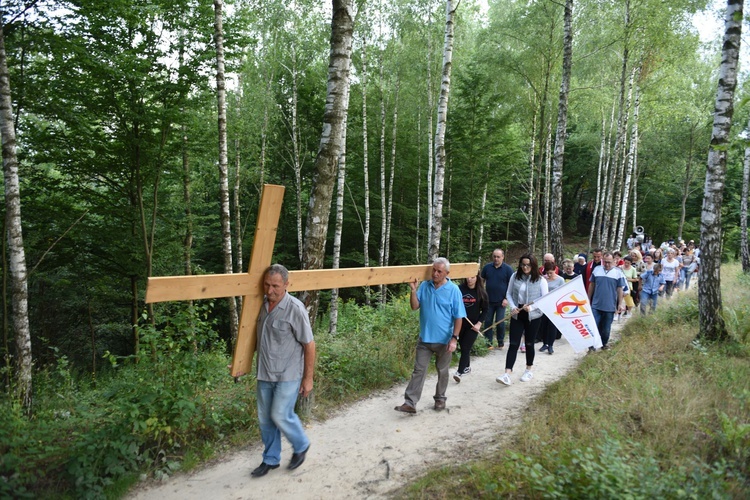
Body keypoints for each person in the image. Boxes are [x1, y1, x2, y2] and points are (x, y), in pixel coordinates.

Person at [251, 264, 316, 478]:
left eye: (276, 286)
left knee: (280, 414)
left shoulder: (295, 309)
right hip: (264, 372)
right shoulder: (258, 305)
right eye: (267, 285)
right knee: (265, 419)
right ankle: (270, 459)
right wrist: (241, 364)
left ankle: (301, 444)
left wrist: (308, 379)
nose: (270, 291)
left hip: (288, 374)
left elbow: (309, 345)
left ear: (286, 285)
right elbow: (252, 338)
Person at [395, 258, 466, 413]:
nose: (435, 273)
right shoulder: (425, 286)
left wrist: (454, 338)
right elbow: (414, 306)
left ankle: (440, 399)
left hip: (445, 340)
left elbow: (458, 317)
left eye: (439, 271)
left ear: (447, 273)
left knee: (442, 371)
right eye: (434, 270)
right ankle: (410, 402)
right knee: (418, 371)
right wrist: (413, 290)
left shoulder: (454, 290)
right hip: (425, 339)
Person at [496, 253, 549, 385]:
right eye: (523, 265)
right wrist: (513, 306)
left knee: (529, 343)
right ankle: (507, 373)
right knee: (513, 343)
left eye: (528, 265)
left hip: (533, 315)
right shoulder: (515, 276)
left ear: (533, 265)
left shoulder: (541, 280)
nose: (525, 267)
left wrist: (531, 308)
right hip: (517, 313)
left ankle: (528, 369)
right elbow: (508, 293)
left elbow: (545, 299)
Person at [587, 251, 626, 351]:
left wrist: (619, 304)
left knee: (606, 328)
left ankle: (604, 343)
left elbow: (620, 289)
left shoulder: (618, 272)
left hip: (609, 305)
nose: (607, 264)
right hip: (596, 304)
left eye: (609, 262)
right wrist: (588, 298)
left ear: (614, 260)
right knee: (594, 326)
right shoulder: (597, 270)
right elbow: (592, 285)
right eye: (605, 262)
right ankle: (592, 345)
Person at [453, 273, 488, 382]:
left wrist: (479, 323)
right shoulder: (459, 289)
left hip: (473, 326)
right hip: (459, 323)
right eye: (467, 276)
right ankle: (467, 367)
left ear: (477, 278)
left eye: (472, 277)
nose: (469, 279)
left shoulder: (481, 292)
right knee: (462, 345)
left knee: (465, 347)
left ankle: (459, 372)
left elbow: (485, 310)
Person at [481, 249, 514, 349]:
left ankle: (500, 342)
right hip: (488, 300)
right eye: (494, 256)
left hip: (501, 301)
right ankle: (489, 343)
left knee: (500, 322)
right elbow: (481, 281)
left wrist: (506, 299)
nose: (496, 258)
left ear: (503, 257)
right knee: (488, 322)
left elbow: (511, 286)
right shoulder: (487, 268)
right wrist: (481, 294)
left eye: (498, 257)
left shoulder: (508, 269)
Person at [539, 261, 564, 355]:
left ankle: (550, 345)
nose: (549, 275)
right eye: (547, 273)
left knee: (552, 326)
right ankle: (545, 343)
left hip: (555, 306)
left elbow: (562, 293)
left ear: (555, 270)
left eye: (551, 273)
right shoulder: (543, 279)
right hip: (545, 306)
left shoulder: (560, 280)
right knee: (544, 325)